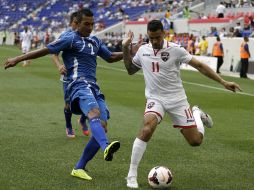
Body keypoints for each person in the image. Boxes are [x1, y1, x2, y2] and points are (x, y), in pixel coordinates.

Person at [4, 8, 123, 180]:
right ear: (77, 23)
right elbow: (46, 50)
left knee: (102, 127)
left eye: (92, 24)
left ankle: (79, 167)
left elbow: (111, 57)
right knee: (94, 114)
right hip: (77, 85)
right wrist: (18, 59)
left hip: (94, 87)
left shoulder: (95, 40)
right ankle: (106, 146)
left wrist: (130, 52)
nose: (89, 27)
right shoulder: (70, 38)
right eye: (86, 24)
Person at [121, 20, 241, 189]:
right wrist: (125, 48)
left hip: (177, 100)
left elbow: (199, 65)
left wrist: (223, 82)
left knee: (195, 141)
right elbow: (130, 70)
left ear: (163, 33)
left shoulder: (176, 49)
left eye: (157, 37)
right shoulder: (143, 50)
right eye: (151, 38)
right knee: (147, 128)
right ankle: (131, 175)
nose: (154, 41)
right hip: (155, 99)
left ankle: (197, 113)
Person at [51, 11, 89, 138]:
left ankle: (82, 120)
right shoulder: (66, 35)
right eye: (75, 23)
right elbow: (54, 53)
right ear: (72, 22)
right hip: (68, 77)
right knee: (68, 103)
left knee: (90, 98)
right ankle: (68, 126)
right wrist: (59, 65)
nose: (77, 25)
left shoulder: (86, 35)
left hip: (85, 76)